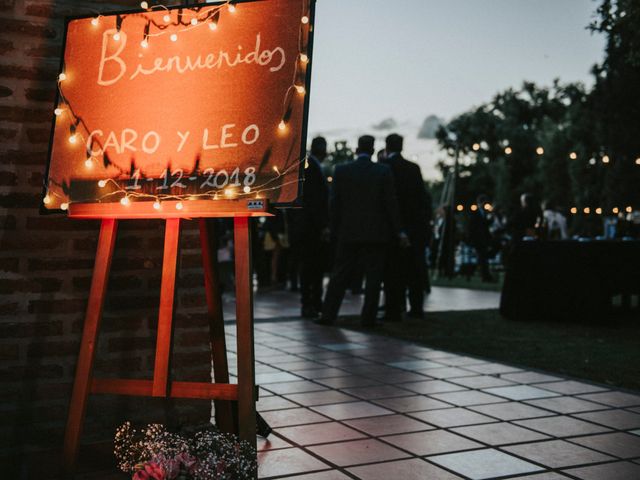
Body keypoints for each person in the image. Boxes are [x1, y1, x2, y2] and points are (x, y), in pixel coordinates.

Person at [319, 135, 406, 327]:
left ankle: (328, 314)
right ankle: (368, 318)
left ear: (357, 149)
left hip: (348, 232)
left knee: (340, 274)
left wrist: (332, 227)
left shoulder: (341, 171)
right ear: (373, 150)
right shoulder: (383, 171)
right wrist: (398, 230)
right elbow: (390, 203)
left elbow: (334, 204)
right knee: (373, 278)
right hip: (376, 233)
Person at [382, 133, 431, 320]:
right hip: (415, 226)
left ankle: (393, 309)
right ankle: (416, 308)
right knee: (415, 270)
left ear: (387, 147)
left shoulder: (384, 168)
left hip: (393, 227)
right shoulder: (413, 168)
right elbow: (421, 197)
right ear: (401, 147)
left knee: (393, 270)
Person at [290, 136, 330, 318]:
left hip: (305, 226)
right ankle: (311, 302)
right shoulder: (312, 168)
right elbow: (316, 201)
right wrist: (323, 225)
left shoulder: (308, 166)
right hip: (311, 227)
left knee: (310, 267)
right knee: (313, 267)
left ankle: (312, 301)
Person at [467, 194, 494, 282]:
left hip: (484, 239)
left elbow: (485, 225)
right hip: (478, 239)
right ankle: (485, 276)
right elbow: (472, 227)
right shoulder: (474, 213)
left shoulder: (484, 213)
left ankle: (486, 275)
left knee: (483, 258)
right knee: (482, 258)